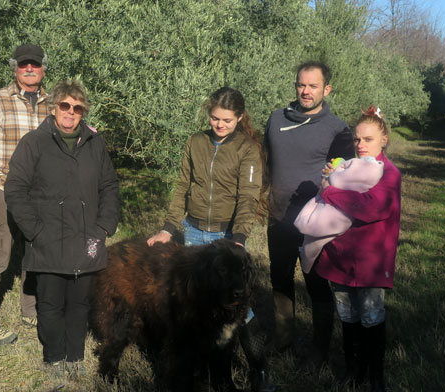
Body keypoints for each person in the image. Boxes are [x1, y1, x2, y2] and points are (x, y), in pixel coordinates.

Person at [147, 87, 274, 392]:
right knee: (199, 303)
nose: (220, 125)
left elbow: (248, 197)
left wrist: (239, 238)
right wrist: (168, 227)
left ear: (239, 118)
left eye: (227, 120)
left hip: (226, 235)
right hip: (193, 231)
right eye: (215, 118)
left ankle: (260, 370)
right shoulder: (196, 141)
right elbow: (182, 186)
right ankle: (202, 369)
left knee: (240, 305)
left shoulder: (246, 148)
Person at [5, 79, 120, 379]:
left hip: (89, 240)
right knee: (51, 304)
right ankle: (54, 357)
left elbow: (109, 186)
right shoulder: (34, 143)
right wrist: (35, 231)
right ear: (54, 107)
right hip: (47, 241)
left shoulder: (96, 145)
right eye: (65, 106)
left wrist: (104, 227)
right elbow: (15, 189)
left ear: (84, 112)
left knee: (80, 303)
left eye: (77, 108)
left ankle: (76, 355)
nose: (70, 112)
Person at [263, 61, 354, 364]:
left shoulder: (339, 129)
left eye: (313, 86)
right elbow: (265, 162)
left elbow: (346, 178)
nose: (305, 91)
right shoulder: (276, 119)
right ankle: (283, 338)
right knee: (280, 280)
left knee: (316, 283)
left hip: (316, 221)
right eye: (301, 84)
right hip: (278, 216)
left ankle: (320, 348)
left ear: (326, 89)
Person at [315, 106, 401, 392]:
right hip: (340, 254)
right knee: (347, 315)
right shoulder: (347, 167)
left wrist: (330, 189)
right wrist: (328, 181)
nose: (361, 145)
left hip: (369, 259)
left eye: (369, 139)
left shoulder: (389, 173)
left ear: (384, 139)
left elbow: (370, 207)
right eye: (357, 139)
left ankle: (376, 377)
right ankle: (354, 371)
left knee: (371, 315)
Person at [0, 44, 50, 345]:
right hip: (6, 191)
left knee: (35, 253)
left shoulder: (52, 103)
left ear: (43, 68)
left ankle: (31, 311)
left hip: (40, 196)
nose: (29, 69)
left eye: (35, 64)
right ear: (14, 67)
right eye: (23, 64)